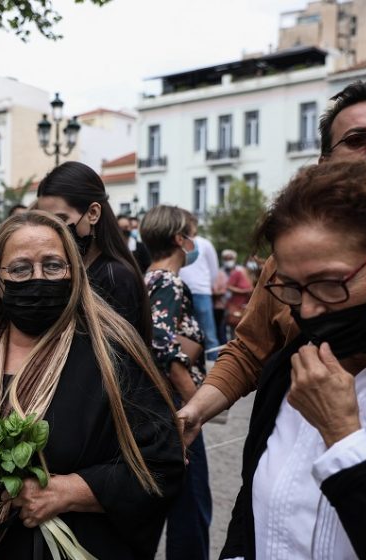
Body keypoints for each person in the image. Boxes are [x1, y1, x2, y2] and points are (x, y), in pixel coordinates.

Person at [0, 210, 184, 560]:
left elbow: (163, 464)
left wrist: (67, 491)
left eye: (52, 265)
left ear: (73, 273)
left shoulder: (112, 352)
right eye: (20, 268)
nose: (38, 278)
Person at [179, 79, 366, 445]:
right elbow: (248, 350)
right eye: (356, 139)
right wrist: (195, 410)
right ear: (325, 162)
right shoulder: (289, 262)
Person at [221, 161, 366, 559]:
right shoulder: (288, 367)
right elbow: (250, 507)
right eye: (293, 288)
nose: (310, 310)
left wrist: (342, 434)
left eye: (331, 284)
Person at [141, 206, 212, 560]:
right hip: (178, 414)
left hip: (160, 410)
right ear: (178, 239)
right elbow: (164, 345)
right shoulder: (167, 281)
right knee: (192, 506)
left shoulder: (147, 279)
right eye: (191, 234)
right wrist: (196, 403)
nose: (194, 242)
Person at [36, 161, 152, 344]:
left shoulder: (116, 278)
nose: (53, 230)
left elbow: (120, 357)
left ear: (93, 213)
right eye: (45, 221)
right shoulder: (70, 269)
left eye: (61, 219)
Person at [180, 220, 221, 360]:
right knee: (188, 333)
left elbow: (214, 269)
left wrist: (206, 285)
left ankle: (213, 369)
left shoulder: (204, 244)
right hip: (186, 291)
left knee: (208, 334)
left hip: (200, 292)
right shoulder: (180, 243)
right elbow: (214, 269)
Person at [223, 250, 253, 338]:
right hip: (235, 306)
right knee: (235, 333)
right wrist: (242, 291)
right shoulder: (238, 272)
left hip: (247, 307)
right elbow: (228, 286)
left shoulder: (253, 275)